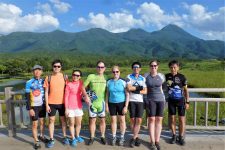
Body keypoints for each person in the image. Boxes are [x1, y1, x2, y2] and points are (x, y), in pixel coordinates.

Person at [44, 59, 69, 148]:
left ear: (61, 67)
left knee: (63, 120)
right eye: (55, 66)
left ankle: (65, 136)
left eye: (58, 66)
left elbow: (68, 91)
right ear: (52, 67)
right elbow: (46, 92)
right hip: (51, 103)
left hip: (62, 103)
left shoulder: (65, 77)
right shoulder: (48, 77)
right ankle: (51, 138)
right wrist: (46, 105)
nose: (56, 68)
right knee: (51, 120)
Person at [165, 60, 189, 146]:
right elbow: (164, 88)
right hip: (171, 101)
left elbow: (186, 91)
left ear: (178, 68)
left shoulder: (182, 77)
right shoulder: (167, 76)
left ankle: (181, 136)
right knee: (172, 118)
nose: (173, 69)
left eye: (175, 67)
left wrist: (187, 102)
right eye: (171, 67)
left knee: (182, 120)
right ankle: (174, 135)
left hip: (181, 101)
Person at [64, 69, 90, 147]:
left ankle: (77, 136)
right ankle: (73, 138)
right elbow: (66, 97)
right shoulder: (69, 84)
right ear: (72, 75)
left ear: (80, 77)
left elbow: (85, 90)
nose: (75, 76)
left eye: (77, 75)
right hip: (70, 107)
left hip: (78, 107)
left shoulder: (81, 84)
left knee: (78, 123)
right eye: (74, 75)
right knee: (71, 123)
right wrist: (66, 109)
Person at [84, 61, 107, 145]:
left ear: (104, 68)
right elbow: (83, 87)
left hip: (101, 103)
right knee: (92, 120)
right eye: (98, 67)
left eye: (102, 67)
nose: (100, 68)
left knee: (102, 120)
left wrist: (107, 103)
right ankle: (92, 137)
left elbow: (107, 92)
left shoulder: (106, 77)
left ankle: (102, 136)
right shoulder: (91, 76)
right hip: (92, 103)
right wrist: (86, 96)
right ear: (96, 68)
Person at [106, 65, 129, 146]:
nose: (115, 73)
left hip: (121, 103)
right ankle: (114, 136)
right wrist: (106, 105)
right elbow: (107, 94)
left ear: (119, 72)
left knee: (122, 120)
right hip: (111, 103)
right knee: (113, 121)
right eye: (114, 72)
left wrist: (126, 106)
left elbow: (127, 94)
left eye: (117, 71)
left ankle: (122, 137)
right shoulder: (109, 82)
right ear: (112, 72)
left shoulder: (123, 81)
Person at [144, 60, 165, 150]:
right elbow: (144, 88)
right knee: (151, 119)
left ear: (158, 66)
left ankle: (157, 141)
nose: (153, 67)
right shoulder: (146, 76)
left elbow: (161, 88)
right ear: (150, 67)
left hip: (160, 100)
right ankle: (152, 141)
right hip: (150, 100)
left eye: (155, 65)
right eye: (152, 65)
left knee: (159, 120)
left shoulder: (161, 76)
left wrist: (164, 99)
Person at [25, 65, 47, 149]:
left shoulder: (43, 81)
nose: (37, 72)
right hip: (33, 106)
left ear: (41, 72)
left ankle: (41, 135)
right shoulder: (29, 82)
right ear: (33, 72)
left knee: (42, 122)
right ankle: (36, 141)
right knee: (34, 124)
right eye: (35, 70)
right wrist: (30, 108)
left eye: (39, 70)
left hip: (42, 105)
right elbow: (26, 97)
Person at [126, 62, 147, 148]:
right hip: (131, 101)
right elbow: (129, 88)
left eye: (138, 67)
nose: (136, 68)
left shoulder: (143, 78)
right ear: (132, 68)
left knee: (139, 120)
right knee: (132, 119)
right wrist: (140, 88)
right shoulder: (129, 77)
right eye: (134, 67)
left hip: (140, 101)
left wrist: (135, 90)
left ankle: (134, 138)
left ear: (140, 69)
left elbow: (145, 91)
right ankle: (136, 137)